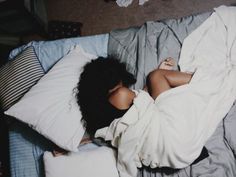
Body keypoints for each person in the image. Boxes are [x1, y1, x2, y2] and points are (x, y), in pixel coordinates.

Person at [76, 57, 193, 136]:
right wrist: (160, 76)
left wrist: (161, 75)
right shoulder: (120, 94)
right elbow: (147, 101)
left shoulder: (106, 113)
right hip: (171, 133)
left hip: (163, 142)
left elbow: (141, 105)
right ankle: (201, 79)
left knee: (157, 77)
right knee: (155, 76)